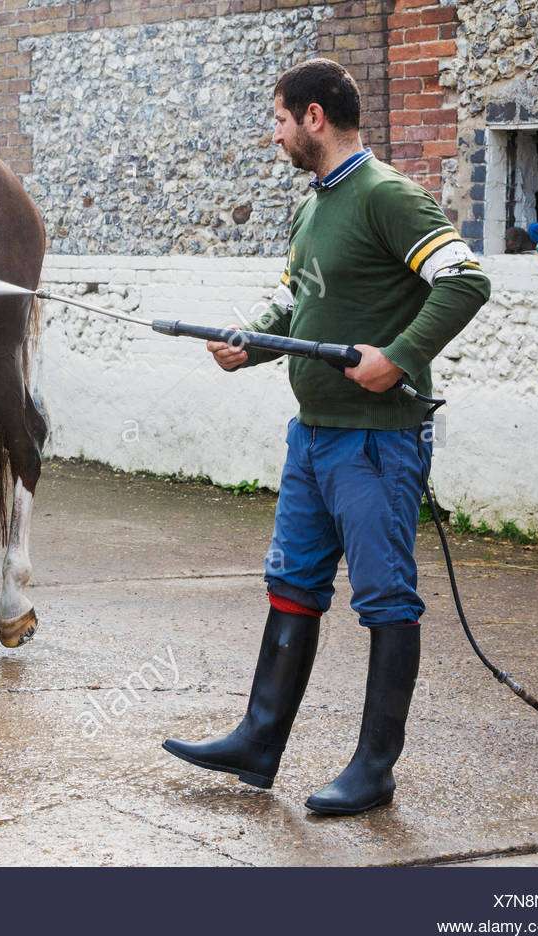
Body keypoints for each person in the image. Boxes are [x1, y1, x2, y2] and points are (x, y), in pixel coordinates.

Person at [162, 58, 491, 815]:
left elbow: (465, 280)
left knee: (384, 598)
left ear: (314, 117)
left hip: (376, 444)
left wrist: (400, 356)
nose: (272, 133)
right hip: (311, 437)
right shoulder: (314, 208)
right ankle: (258, 740)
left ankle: (373, 770)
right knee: (293, 586)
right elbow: (294, 300)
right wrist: (255, 341)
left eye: (279, 118)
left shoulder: (387, 197)